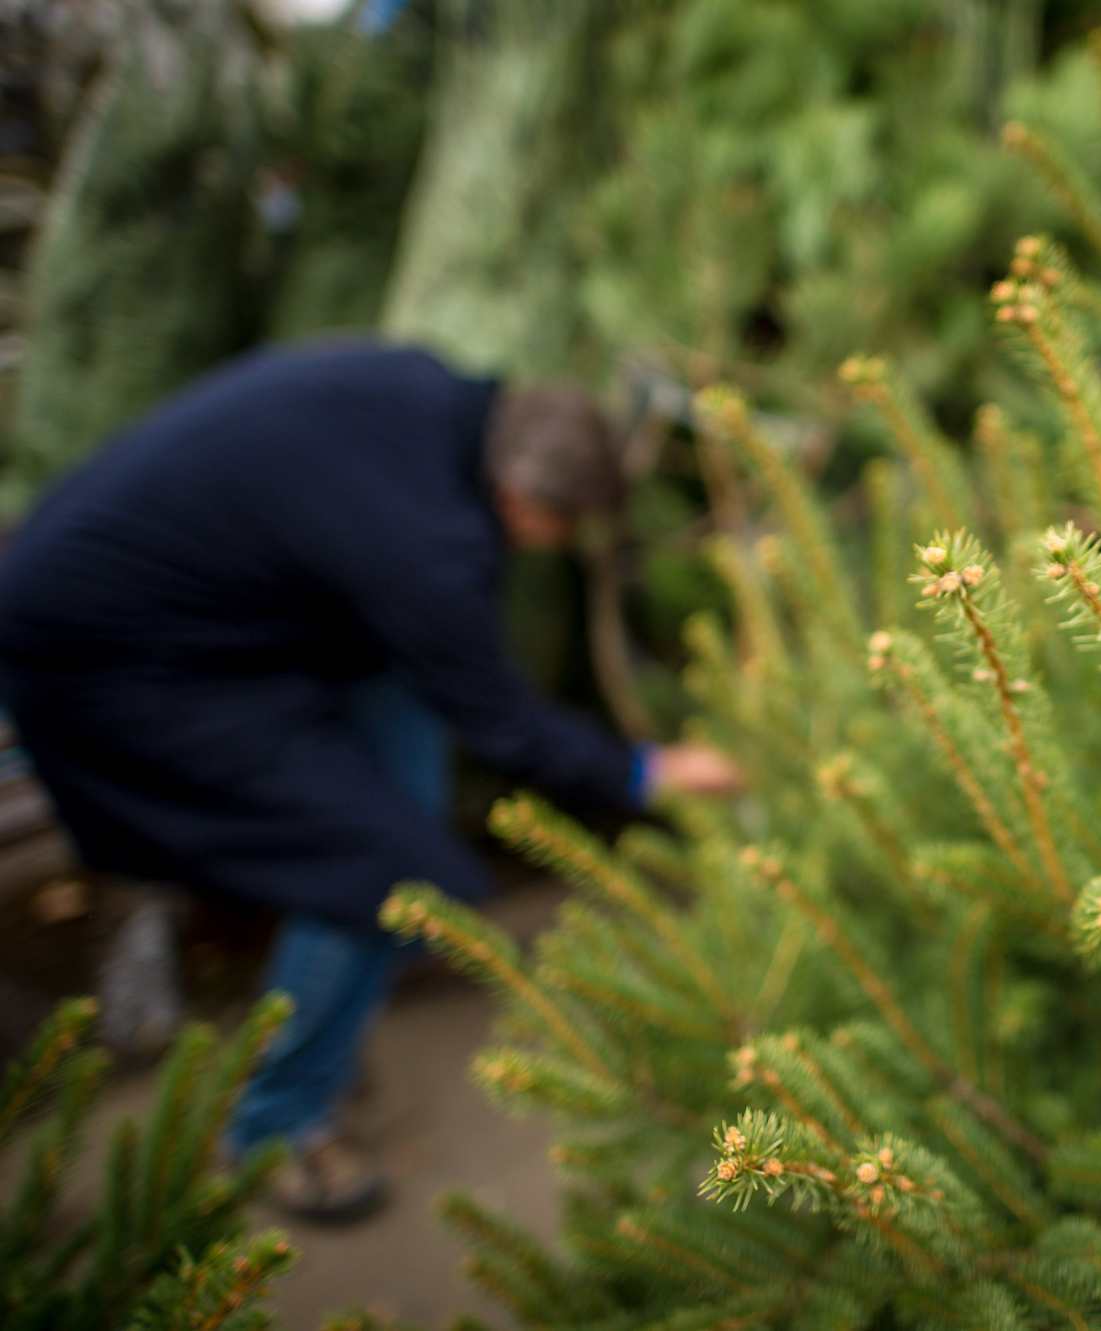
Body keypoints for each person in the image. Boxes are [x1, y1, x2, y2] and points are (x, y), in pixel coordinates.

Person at [0, 341, 738, 1223]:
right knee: (379, 872)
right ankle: (278, 1126)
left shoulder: (430, 396)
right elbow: (502, 724)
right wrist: (648, 770)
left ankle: (342, 995)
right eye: (561, 529)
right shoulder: (427, 544)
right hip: (107, 657)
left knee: (398, 796)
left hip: (161, 592)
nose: (555, 548)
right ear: (522, 497)